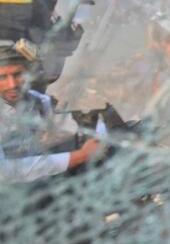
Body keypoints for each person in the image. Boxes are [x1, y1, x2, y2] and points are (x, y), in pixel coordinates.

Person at [0, 43, 100, 183]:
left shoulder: (37, 100)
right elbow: (5, 172)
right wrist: (80, 155)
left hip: (40, 179)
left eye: (18, 74)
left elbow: (69, 125)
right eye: (3, 77)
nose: (12, 85)